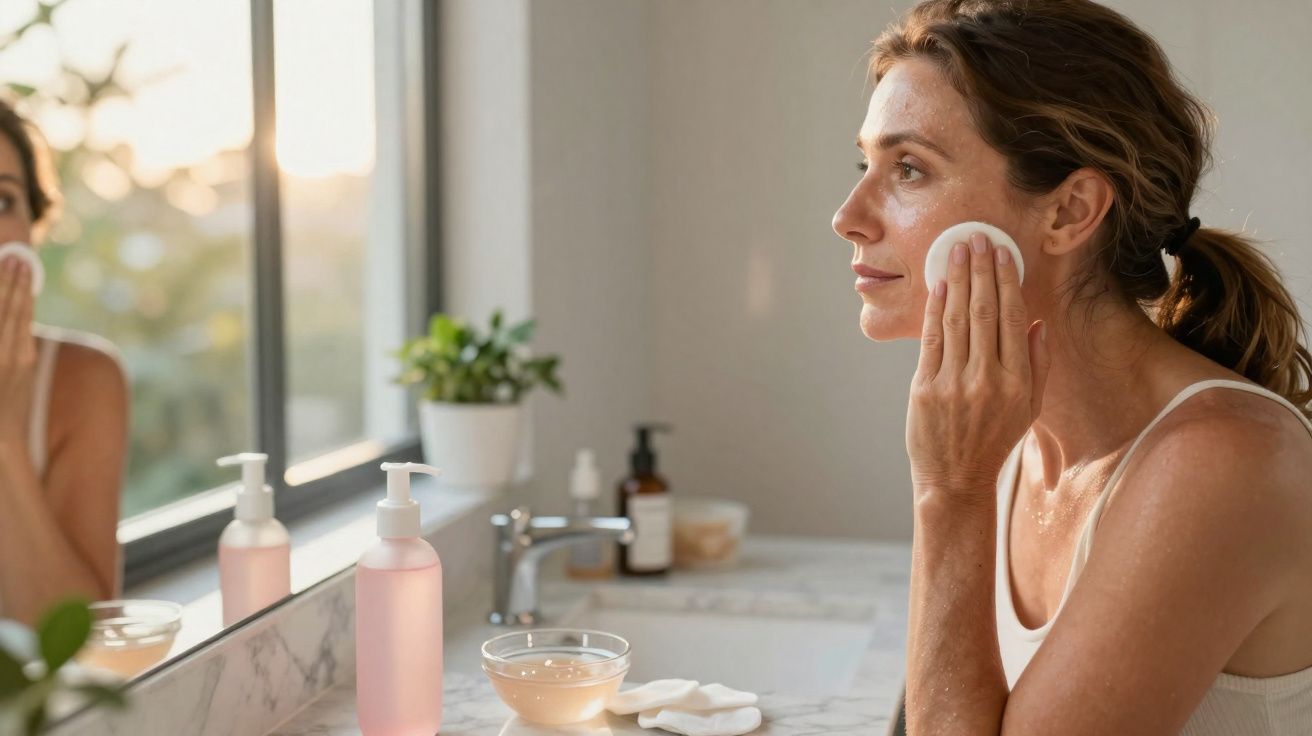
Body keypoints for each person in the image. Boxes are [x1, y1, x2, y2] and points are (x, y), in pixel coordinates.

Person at [831, 1, 1312, 733]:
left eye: (908, 169)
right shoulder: (1011, 430)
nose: (849, 214)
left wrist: (949, 492)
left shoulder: (1224, 463)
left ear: (1069, 211)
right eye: (865, 162)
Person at [0, 98, 128, 624]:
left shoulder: (84, 382)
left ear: (33, 226)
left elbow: (82, 641)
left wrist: (4, 436)